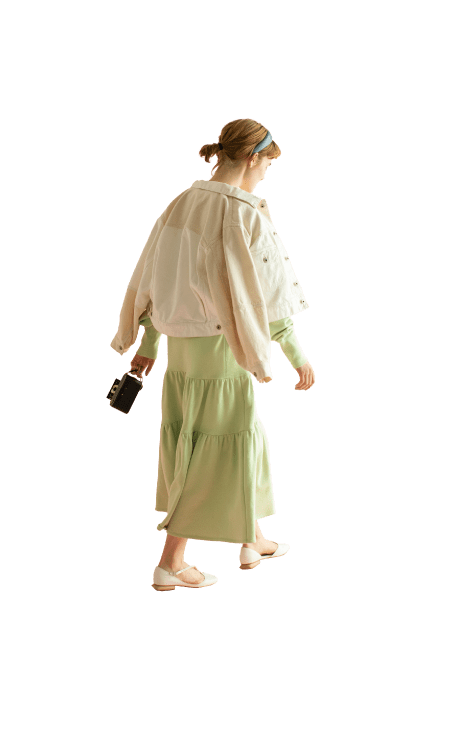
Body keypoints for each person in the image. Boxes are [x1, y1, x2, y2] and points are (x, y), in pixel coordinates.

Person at [111, 119, 316, 590]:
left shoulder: (180, 203)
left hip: (182, 352)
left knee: (226, 440)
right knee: (216, 452)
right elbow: (264, 300)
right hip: (225, 347)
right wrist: (296, 355)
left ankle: (252, 539)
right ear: (252, 158)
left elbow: (156, 281)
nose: (265, 174)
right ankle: (171, 563)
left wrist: (147, 345)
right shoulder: (245, 212)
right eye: (266, 165)